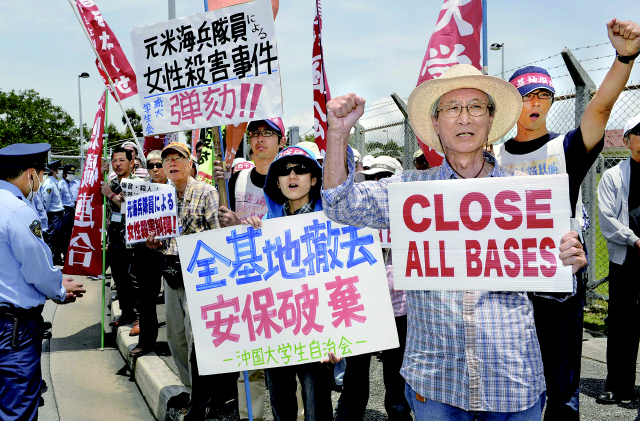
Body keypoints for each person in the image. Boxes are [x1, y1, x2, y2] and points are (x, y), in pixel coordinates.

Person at [321, 64, 587, 420]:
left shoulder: (527, 192)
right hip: (435, 386)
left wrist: (565, 259)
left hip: (512, 383)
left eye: (476, 107)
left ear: (491, 119)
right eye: (452, 108)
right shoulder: (409, 191)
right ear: (435, 123)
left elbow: (555, 287)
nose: (465, 118)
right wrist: (338, 134)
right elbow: (340, 203)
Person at [494, 19, 640, 418]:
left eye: (544, 95)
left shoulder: (567, 148)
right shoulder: (493, 157)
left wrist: (625, 58)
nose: (536, 103)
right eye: (527, 96)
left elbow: (601, 108)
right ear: (512, 102)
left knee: (561, 391)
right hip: (506, 282)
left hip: (557, 278)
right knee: (509, 385)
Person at [243, 145, 335, 421]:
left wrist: (341, 336)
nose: (292, 176)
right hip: (276, 332)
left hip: (317, 331)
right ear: (276, 181)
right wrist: (249, 237)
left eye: (301, 169)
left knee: (317, 409)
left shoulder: (332, 222)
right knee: (281, 406)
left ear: (315, 178)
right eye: (284, 171)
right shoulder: (264, 226)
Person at [146, 142, 236, 420]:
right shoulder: (161, 195)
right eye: (166, 160)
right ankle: (189, 387)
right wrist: (154, 243)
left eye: (177, 158)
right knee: (175, 336)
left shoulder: (206, 191)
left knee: (199, 339)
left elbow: (217, 234)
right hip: (170, 270)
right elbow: (161, 239)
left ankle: (204, 399)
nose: (171, 164)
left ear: (190, 163)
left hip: (200, 274)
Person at [0, 143, 85, 421]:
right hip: (14, 328)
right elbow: (37, 270)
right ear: (30, 174)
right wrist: (60, 290)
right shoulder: (18, 211)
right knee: (18, 409)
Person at [334, 154, 410, 421]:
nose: (377, 184)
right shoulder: (355, 219)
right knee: (355, 371)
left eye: (384, 178)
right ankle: (347, 415)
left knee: (396, 372)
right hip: (362, 307)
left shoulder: (414, 216)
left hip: (400, 310)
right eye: (370, 179)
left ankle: (399, 415)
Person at [596, 114, 640, 404]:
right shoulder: (613, 176)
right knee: (622, 323)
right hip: (627, 257)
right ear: (626, 140)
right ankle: (619, 385)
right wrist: (634, 239)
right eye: (639, 133)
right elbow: (607, 219)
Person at [129, 150, 167, 357]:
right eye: (151, 165)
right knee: (146, 300)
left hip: (172, 253)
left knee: (179, 305)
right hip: (145, 251)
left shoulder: (176, 186)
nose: (155, 169)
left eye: (158, 165)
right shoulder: (139, 189)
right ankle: (146, 342)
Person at [215, 118, 287, 227]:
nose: (259, 139)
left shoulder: (291, 182)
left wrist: (239, 225)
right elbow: (224, 223)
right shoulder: (238, 178)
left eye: (267, 133)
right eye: (255, 133)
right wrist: (221, 185)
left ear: (282, 142)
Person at [100, 147, 140, 329]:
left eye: (122, 160)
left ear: (131, 163)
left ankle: (140, 316)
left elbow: (128, 207)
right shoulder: (112, 181)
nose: (117, 164)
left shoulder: (138, 183)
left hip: (132, 240)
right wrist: (101, 177)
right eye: (114, 160)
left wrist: (110, 193)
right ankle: (127, 312)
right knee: (119, 278)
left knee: (134, 280)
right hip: (114, 238)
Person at [40, 160, 65, 265]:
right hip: (53, 216)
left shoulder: (55, 182)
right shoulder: (49, 184)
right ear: (53, 171)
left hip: (58, 215)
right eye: (59, 169)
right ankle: (48, 262)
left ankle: (55, 259)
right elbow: (46, 203)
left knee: (57, 240)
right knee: (52, 240)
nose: (61, 171)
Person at [58, 164, 76, 264]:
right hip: (65, 211)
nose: (72, 175)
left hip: (70, 210)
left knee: (69, 234)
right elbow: (59, 200)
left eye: (73, 174)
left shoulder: (67, 183)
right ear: (64, 174)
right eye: (70, 173)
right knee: (65, 235)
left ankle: (67, 254)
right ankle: (64, 255)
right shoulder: (61, 184)